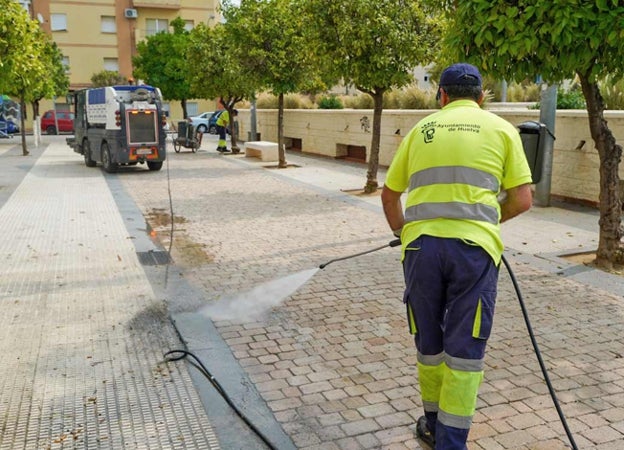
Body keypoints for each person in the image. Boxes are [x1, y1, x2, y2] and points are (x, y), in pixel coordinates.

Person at [381, 63, 533, 449]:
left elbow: (389, 195)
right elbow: (522, 199)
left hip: (421, 250)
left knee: (429, 344)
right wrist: (484, 219)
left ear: (441, 96)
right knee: (464, 352)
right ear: (482, 97)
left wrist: (403, 234)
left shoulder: (420, 131)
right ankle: (450, 442)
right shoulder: (501, 130)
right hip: (474, 252)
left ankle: (432, 423)